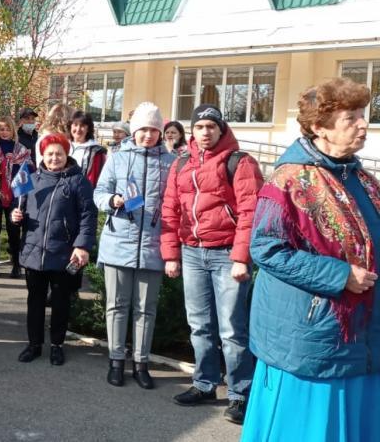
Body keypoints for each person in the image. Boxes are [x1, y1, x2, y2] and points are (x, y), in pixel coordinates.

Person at [242, 78, 380, 441]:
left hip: (361, 335)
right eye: (350, 118)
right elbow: (267, 249)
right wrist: (338, 275)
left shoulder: (361, 178)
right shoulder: (288, 180)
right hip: (313, 338)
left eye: (362, 115)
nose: (363, 124)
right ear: (319, 127)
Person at [161, 104, 263, 424]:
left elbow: (250, 212)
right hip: (192, 252)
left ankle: (240, 393)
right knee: (200, 325)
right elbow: (170, 210)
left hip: (226, 254)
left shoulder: (239, 162)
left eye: (211, 126)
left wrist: (241, 257)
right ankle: (204, 384)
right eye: (200, 126)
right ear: (192, 130)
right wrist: (171, 255)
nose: (205, 132)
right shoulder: (180, 164)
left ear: (221, 130)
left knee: (232, 328)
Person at [94, 103, 175, 388]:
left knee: (146, 308)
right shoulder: (116, 158)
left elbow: (176, 202)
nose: (148, 135)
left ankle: (141, 363)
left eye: (154, 130)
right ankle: (116, 361)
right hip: (118, 242)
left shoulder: (171, 162)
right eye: (143, 130)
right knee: (116, 306)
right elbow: (99, 193)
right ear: (134, 131)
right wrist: (111, 201)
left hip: (153, 245)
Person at [12, 133, 96, 364]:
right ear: (43, 155)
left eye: (59, 153)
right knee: (35, 301)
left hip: (63, 253)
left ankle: (57, 345)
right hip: (34, 251)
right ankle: (34, 344)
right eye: (49, 154)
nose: (54, 158)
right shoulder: (32, 179)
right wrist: (16, 216)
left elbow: (88, 216)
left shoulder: (78, 181)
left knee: (60, 301)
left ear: (66, 154)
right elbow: (24, 209)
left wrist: (82, 245)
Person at [0, 116, 30, 278]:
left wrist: (20, 173)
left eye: (7, 129)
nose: (4, 132)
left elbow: (29, 168)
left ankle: (16, 263)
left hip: (14, 195)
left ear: (12, 130)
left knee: (14, 230)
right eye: (1, 129)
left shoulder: (20, 149)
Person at [68, 110, 107, 188]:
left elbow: (96, 180)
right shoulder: (64, 146)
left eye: (82, 126)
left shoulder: (96, 152)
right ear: (70, 126)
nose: (78, 129)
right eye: (75, 125)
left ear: (88, 128)